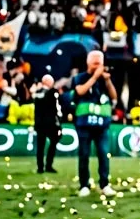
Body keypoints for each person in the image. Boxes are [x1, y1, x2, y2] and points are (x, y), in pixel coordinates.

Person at [56, 50, 119, 197]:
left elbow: (114, 97)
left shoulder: (105, 79)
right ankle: (84, 185)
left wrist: (107, 80)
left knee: (103, 154)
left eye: (100, 63)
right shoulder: (80, 77)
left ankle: (105, 184)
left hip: (102, 124)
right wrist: (95, 76)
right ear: (88, 63)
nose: (97, 66)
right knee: (84, 154)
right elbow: (80, 91)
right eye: (95, 62)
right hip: (84, 123)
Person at [32, 74, 62, 174]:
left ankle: (40, 167)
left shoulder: (37, 92)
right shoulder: (52, 92)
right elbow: (56, 109)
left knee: (40, 146)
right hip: (51, 123)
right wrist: (58, 120)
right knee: (53, 142)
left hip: (40, 123)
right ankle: (48, 165)